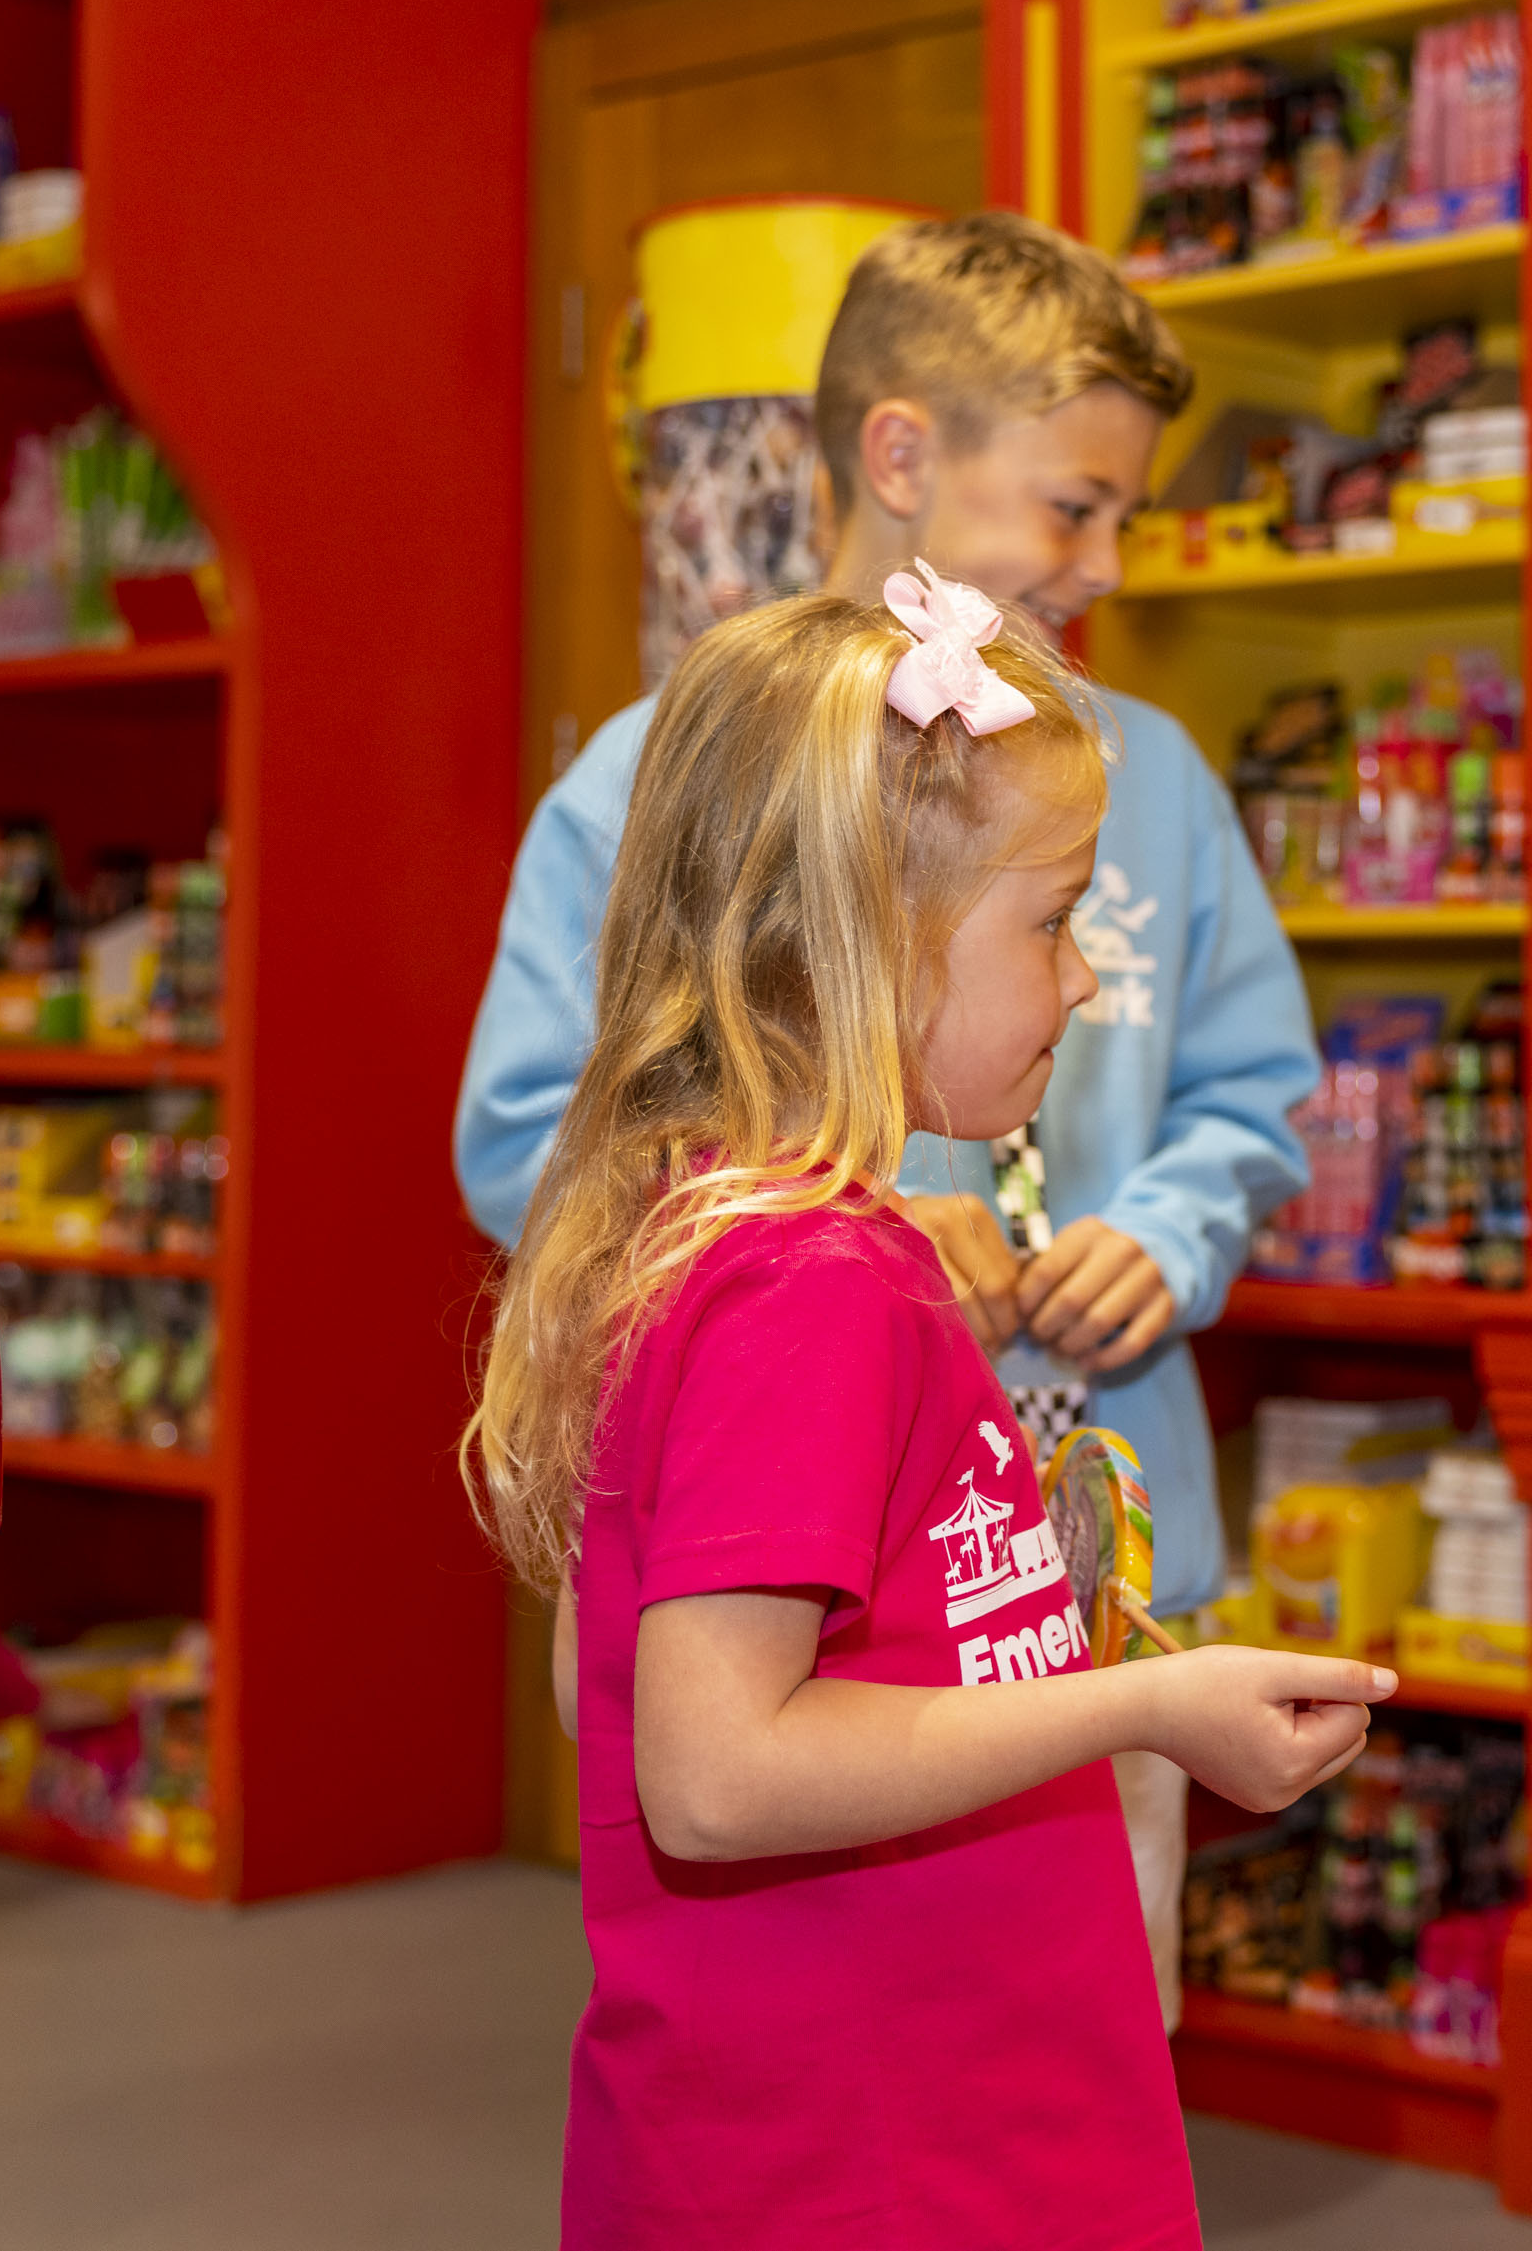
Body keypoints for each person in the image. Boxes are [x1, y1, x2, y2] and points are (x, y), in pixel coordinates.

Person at [456, 210, 1319, 2022]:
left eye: (1120, 518)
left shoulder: (1140, 778)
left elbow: (1254, 1090)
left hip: (1087, 1537)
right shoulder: (659, 779)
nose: (1098, 556)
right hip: (794, 1578)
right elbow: (540, 1128)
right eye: (1074, 504)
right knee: (816, 2024)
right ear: (903, 454)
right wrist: (834, 1209)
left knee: (1086, 1996)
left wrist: (1160, 1233)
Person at [460, 576, 1388, 2247]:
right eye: (1051, 922)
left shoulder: (717, 1229)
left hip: (866, 2118)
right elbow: (714, 1772)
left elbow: (600, 1686)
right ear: (876, 937)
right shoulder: (811, 1282)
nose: (1088, 980)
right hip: (876, 2158)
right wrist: (1141, 1710)